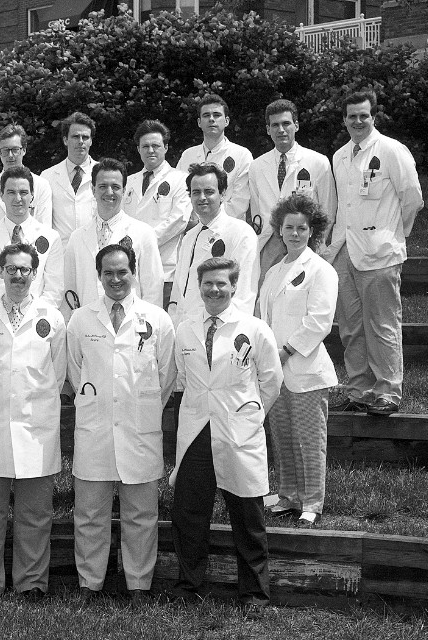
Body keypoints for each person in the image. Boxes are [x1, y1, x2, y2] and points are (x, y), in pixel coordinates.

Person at [169, 257, 282, 610]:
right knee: (189, 515)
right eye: (207, 284)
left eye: (221, 284)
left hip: (239, 431)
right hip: (196, 430)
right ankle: (190, 587)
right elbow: (184, 380)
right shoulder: (186, 330)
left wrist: (249, 414)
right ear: (199, 287)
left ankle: (255, 594)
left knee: (247, 516)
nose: (214, 290)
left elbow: (272, 381)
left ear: (234, 286)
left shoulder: (254, 329)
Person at [66, 243, 175, 603]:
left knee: (141, 514)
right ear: (98, 276)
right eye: (108, 273)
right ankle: (89, 582)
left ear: (134, 273)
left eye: (122, 271)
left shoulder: (156, 319)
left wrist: (140, 409)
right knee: (90, 513)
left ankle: (139, 584)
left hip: (139, 428)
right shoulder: (81, 319)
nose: (116, 279)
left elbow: (166, 376)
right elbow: (75, 371)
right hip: (95, 428)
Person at [0, 243, 66, 600]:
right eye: (11, 269)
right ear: (0, 272)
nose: (18, 276)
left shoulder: (51, 318)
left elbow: (58, 372)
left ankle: (31, 583)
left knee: (35, 514)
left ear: (35, 273)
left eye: (25, 269)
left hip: (37, 429)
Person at [323, 89, 423, 416]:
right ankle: (359, 389)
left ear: (374, 116)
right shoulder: (339, 157)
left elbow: (412, 198)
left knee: (382, 325)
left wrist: (393, 234)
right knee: (351, 327)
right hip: (345, 253)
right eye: (352, 116)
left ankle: (387, 391)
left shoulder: (392, 150)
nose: (358, 121)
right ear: (344, 120)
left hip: (380, 255)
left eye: (363, 115)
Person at [259, 195, 338, 526]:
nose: (294, 233)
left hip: (305, 370)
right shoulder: (274, 271)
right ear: (279, 229)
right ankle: (289, 495)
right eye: (288, 227)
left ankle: (312, 502)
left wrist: (287, 351)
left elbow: (319, 320)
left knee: (309, 440)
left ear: (311, 231)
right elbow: (264, 318)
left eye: (301, 228)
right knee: (283, 438)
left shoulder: (321, 270)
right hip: (276, 372)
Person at [249, 100, 336, 283]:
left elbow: (328, 209)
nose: (281, 129)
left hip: (306, 242)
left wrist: (318, 244)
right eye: (275, 125)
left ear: (296, 126)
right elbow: (257, 212)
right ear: (268, 129)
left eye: (286, 123)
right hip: (270, 244)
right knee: (267, 297)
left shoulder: (318, 163)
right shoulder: (256, 166)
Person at [64, 158, 164, 313]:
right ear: (93, 189)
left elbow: (153, 289)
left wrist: (147, 329)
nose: (109, 192)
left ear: (124, 190)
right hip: (89, 326)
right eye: (103, 186)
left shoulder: (143, 233)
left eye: (115, 187)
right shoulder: (77, 238)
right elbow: (70, 290)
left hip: (131, 324)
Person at [171, 164, 258, 323]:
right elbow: (177, 291)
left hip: (221, 329)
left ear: (223, 194)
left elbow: (244, 294)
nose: (202, 197)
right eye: (196, 192)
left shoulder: (241, 234)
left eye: (209, 191)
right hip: (186, 329)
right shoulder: (189, 237)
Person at [0, 167, 65, 310]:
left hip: (35, 319)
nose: (18, 199)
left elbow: (54, 290)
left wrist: (30, 316)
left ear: (32, 195)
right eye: (11, 192)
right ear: (1, 195)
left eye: (23, 192)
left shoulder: (51, 237)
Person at [124, 120, 191, 305]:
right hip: (131, 269)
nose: (150, 150)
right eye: (145, 146)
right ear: (138, 149)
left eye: (155, 145)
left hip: (166, 269)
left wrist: (141, 242)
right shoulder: (128, 182)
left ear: (166, 147)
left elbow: (179, 220)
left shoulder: (181, 180)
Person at [177, 94, 254, 221]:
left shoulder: (242, 155)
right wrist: (195, 221)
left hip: (230, 228)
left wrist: (210, 222)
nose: (211, 119)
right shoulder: (187, 155)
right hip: (192, 227)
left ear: (226, 121)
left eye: (217, 115)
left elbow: (240, 201)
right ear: (199, 122)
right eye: (206, 115)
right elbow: (181, 194)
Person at [0, 125, 53, 229]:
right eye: (5, 150)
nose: (10, 155)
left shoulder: (41, 185)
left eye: (15, 149)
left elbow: (45, 228)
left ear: (24, 150)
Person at [41, 112, 98, 238]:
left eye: (85, 137)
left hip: (95, 250)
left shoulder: (103, 173)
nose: (81, 141)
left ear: (91, 141)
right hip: (61, 252)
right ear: (65, 140)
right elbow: (43, 222)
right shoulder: (47, 177)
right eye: (75, 137)